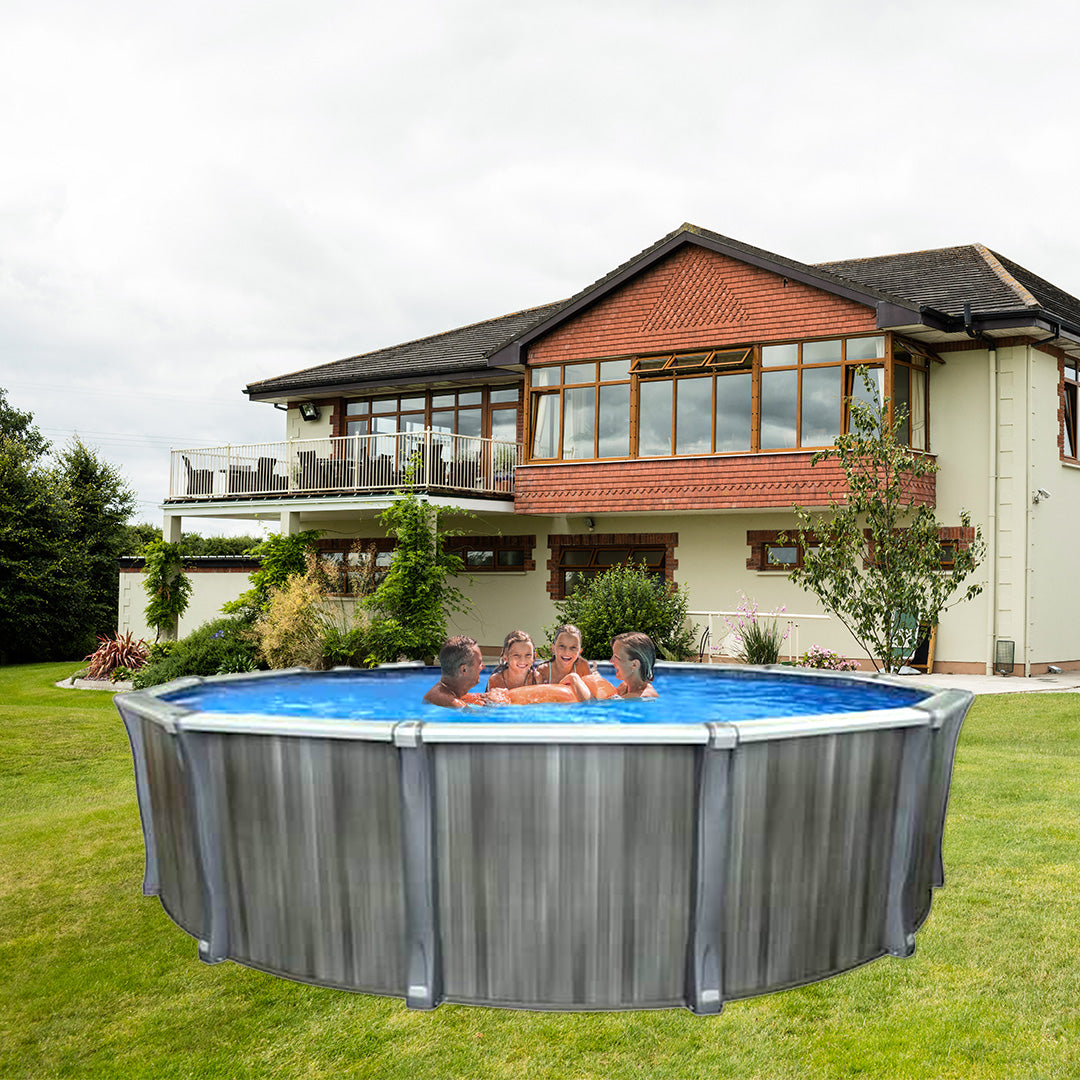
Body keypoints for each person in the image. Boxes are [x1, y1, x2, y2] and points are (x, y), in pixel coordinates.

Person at [423, 635, 486, 708]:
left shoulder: (443, 691)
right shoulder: (456, 706)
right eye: (479, 663)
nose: (483, 666)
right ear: (464, 669)